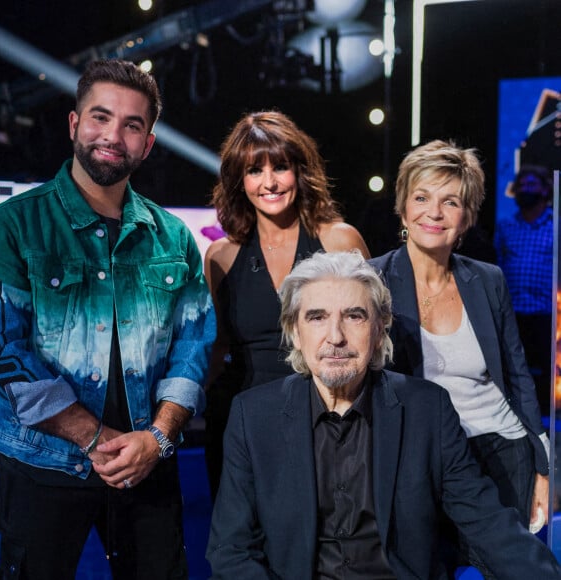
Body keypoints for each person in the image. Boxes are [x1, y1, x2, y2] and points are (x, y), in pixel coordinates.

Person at [0, 59, 215, 579]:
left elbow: (194, 347)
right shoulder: (11, 227)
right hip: (41, 464)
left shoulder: (173, 238)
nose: (114, 135)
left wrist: (157, 438)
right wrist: (95, 438)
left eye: (133, 125)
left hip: (147, 464)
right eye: (100, 117)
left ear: (148, 143)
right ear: (73, 124)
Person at [206, 250, 561, 579]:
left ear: (379, 330)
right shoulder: (253, 416)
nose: (336, 337)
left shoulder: (427, 410)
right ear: (295, 332)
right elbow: (230, 550)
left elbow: (487, 523)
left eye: (354, 316)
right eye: (317, 317)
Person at [369, 140, 549, 575]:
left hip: (502, 449)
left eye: (450, 201)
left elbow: (517, 375)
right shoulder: (373, 280)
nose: (434, 213)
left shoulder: (487, 279)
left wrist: (543, 468)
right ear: (402, 206)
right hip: (422, 457)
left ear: (466, 217)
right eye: (421, 197)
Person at [203, 109, 370, 497]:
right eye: (254, 171)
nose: (270, 182)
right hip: (242, 423)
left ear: (300, 170)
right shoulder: (220, 256)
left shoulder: (339, 240)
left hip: (327, 419)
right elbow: (217, 348)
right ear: (238, 181)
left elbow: (373, 336)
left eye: (280, 167)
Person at [494, 164, 554, 412]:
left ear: (545, 189)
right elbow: (497, 262)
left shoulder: (556, 224)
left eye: (532, 185)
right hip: (513, 311)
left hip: (546, 312)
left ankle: (544, 416)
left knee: (546, 370)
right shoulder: (506, 225)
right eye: (522, 185)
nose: (526, 189)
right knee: (515, 368)